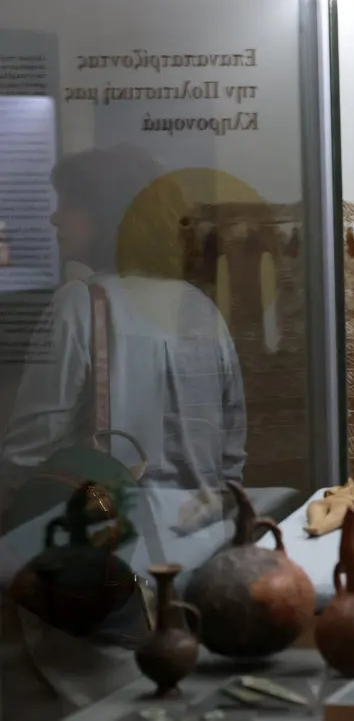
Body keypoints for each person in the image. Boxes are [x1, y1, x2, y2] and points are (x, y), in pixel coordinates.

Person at [0, 144, 247, 715]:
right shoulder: (201, 310)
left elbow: (25, 459)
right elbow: (231, 458)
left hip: (98, 577)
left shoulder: (80, 304)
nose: (55, 218)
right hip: (196, 569)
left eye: (70, 203)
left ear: (109, 213)